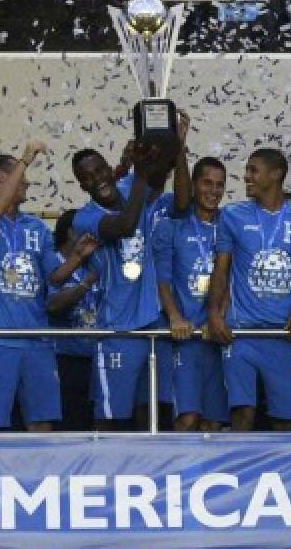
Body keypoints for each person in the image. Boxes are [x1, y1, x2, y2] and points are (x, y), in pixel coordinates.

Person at [67, 141, 182, 429]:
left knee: (153, 411)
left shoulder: (134, 183)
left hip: (153, 323)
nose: (98, 178)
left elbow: (176, 194)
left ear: (110, 168)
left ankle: (151, 470)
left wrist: (171, 141)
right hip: (117, 327)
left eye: (100, 169)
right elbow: (125, 226)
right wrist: (140, 172)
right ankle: (102, 471)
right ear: (82, 185)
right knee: (109, 416)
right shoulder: (85, 217)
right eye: (88, 177)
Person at [207, 148, 291, 431]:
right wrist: (215, 314)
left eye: (253, 170)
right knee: (242, 414)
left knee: (284, 420)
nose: (246, 177)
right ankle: (240, 473)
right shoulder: (232, 215)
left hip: (283, 334)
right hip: (241, 333)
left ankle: (282, 475)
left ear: (276, 174)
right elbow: (221, 270)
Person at [0, 143, 69, 432]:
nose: (25, 180)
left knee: (42, 424)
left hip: (38, 338)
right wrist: (26, 158)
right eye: (14, 176)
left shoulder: (36, 227)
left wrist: (80, 260)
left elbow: (55, 277)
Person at [153, 157, 229, 432]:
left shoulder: (229, 224)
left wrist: (219, 317)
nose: (213, 191)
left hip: (218, 336)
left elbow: (234, 277)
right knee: (187, 419)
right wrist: (174, 317)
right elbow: (162, 279)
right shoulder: (171, 226)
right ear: (194, 185)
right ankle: (181, 475)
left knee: (214, 423)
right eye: (207, 183)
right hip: (185, 338)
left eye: (220, 185)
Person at [47, 209, 100, 432]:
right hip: (66, 358)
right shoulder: (52, 262)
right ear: (71, 233)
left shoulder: (94, 262)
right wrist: (85, 284)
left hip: (96, 357)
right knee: (70, 426)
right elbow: (54, 305)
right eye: (87, 229)